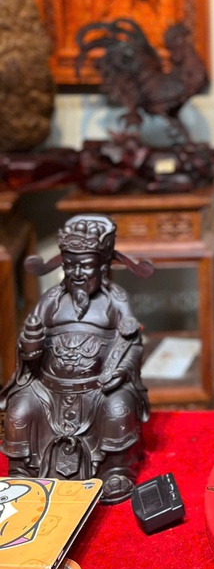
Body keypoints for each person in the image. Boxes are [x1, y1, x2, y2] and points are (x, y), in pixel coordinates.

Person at [0, 216, 150, 504]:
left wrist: (120, 372)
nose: (77, 273)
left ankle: (116, 469)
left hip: (97, 389)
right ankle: (23, 469)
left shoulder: (115, 300)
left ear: (102, 268)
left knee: (117, 406)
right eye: (70, 265)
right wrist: (29, 346)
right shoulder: (51, 299)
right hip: (48, 389)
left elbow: (132, 343)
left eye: (85, 266)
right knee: (21, 407)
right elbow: (29, 343)